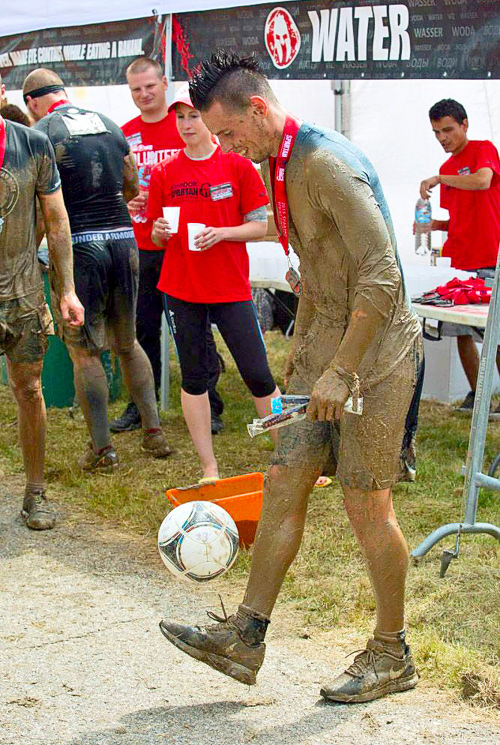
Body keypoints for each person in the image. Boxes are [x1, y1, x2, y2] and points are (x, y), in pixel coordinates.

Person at [158, 52, 423, 704]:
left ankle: (392, 656)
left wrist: (342, 369)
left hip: (377, 357)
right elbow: (317, 248)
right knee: (283, 480)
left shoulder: (327, 163)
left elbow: (384, 277)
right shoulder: (274, 164)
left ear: (257, 109)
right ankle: (244, 639)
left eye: (227, 133)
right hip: (323, 349)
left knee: (366, 503)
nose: (226, 147)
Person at [22, 68, 173, 472]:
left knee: (84, 353)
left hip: (80, 247)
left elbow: (45, 205)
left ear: (32, 103)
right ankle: (154, 433)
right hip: (124, 241)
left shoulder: (43, 133)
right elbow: (131, 186)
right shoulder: (107, 123)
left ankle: (103, 450)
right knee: (128, 343)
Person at [147, 84, 280, 482]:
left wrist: (222, 233)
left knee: (258, 374)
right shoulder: (165, 172)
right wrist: (158, 230)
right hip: (182, 287)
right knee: (194, 377)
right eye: (180, 117)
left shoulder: (236, 165)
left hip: (229, 286)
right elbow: (157, 236)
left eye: (193, 116)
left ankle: (290, 457)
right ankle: (208, 467)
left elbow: (262, 225)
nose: (186, 124)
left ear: (208, 118)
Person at [113, 57, 225, 435]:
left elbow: (215, 167)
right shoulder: (124, 134)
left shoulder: (188, 122)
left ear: (164, 83)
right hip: (142, 246)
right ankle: (141, 408)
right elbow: (119, 186)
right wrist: (125, 199)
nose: (144, 95)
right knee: (141, 330)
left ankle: (211, 404)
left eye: (150, 86)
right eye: (136, 89)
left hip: (186, 249)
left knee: (194, 330)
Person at [0, 96, 84, 529]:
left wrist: (67, 290)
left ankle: (35, 493)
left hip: (23, 295)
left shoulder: (32, 144)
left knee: (30, 388)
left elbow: (57, 220)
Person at [419, 98, 500, 414]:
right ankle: (479, 399)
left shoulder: (483, 149)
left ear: (464, 125)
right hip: (464, 264)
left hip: (491, 258)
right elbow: (461, 219)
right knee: (461, 333)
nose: (442, 138)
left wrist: (440, 180)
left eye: (448, 130)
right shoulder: (447, 167)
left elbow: (483, 181)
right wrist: (432, 225)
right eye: (437, 132)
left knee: (495, 334)